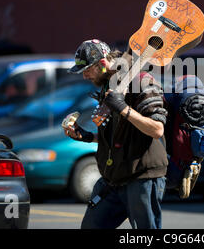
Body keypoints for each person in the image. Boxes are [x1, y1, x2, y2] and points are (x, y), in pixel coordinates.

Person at [63, 39, 168, 229]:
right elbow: (117, 134)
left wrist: (123, 108)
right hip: (112, 179)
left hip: (141, 177)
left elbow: (157, 129)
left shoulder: (142, 81)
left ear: (102, 64)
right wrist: (86, 136)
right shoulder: (109, 85)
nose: (85, 76)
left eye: (86, 70)